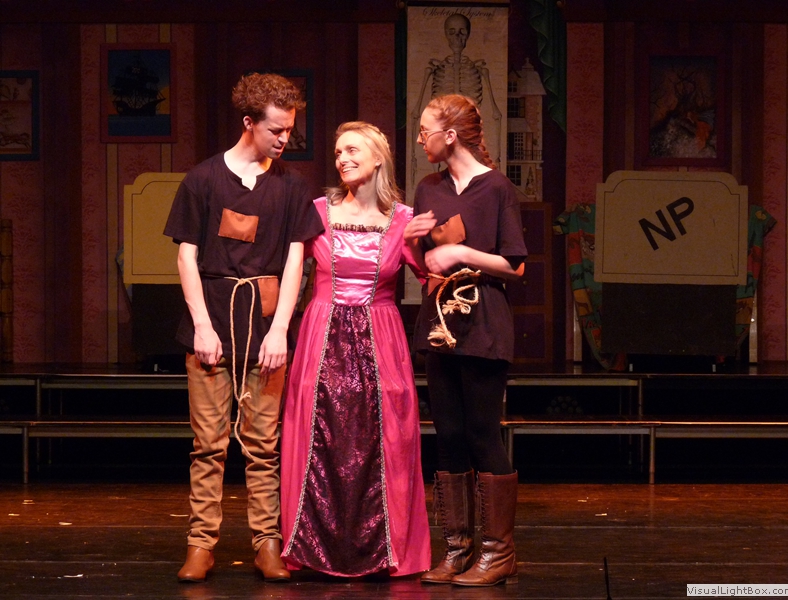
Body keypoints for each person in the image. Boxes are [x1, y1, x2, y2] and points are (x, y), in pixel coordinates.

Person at [163, 72, 324, 583]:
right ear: (249, 122)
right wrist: (202, 325)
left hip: (264, 323)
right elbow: (187, 256)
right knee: (208, 444)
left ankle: (266, 542)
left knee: (262, 445)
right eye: (276, 129)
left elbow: (297, 261)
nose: (284, 139)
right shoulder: (203, 179)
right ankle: (200, 543)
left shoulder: (291, 186)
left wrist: (280, 330)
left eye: (290, 129)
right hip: (213, 320)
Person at [279, 121, 431, 578]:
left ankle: (387, 549)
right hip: (322, 335)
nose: (342, 159)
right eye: (338, 152)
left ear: (378, 158)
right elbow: (290, 271)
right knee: (319, 438)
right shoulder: (318, 212)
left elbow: (432, 277)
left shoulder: (402, 220)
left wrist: (435, 246)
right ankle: (310, 547)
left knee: (385, 440)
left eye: (351, 150)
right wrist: (278, 328)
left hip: (380, 338)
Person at [404, 93, 528, 587]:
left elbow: (515, 265)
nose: (420, 139)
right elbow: (423, 265)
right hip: (440, 324)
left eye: (425, 130)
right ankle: (457, 550)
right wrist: (412, 242)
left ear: (450, 135)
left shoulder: (496, 188)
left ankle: (499, 553)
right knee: (449, 434)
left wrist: (460, 252)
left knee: (481, 433)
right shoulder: (428, 189)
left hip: (483, 323)